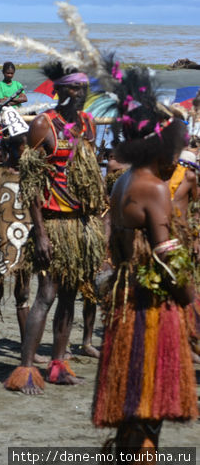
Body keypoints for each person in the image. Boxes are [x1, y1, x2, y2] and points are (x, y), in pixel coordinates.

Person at [93, 67, 197, 455]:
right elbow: (167, 258)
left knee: (133, 406)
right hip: (150, 310)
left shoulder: (124, 179)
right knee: (148, 405)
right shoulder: (153, 188)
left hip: (126, 303)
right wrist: (191, 301)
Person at [4, 61, 106, 394]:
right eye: (75, 88)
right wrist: (41, 233)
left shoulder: (88, 124)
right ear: (60, 90)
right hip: (53, 222)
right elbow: (31, 184)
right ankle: (26, 369)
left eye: (84, 88)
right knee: (46, 296)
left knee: (70, 297)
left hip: (79, 223)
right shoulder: (44, 124)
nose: (81, 94)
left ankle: (58, 364)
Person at [0, 108, 34, 359]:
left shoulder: (33, 175)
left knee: (23, 293)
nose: (27, 151)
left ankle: (27, 346)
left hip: (26, 241)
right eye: (24, 146)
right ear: (13, 147)